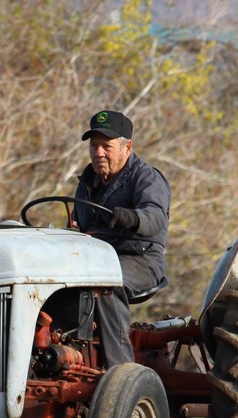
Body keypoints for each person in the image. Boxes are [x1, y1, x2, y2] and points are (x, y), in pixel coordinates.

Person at [73, 110, 171, 367]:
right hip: (95, 260)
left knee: (107, 283)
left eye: (106, 146)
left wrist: (133, 218)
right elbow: (75, 224)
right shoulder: (86, 183)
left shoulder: (146, 177)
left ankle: (121, 370)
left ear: (127, 147)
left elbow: (156, 216)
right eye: (94, 146)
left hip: (139, 259)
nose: (98, 153)